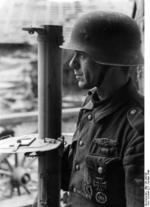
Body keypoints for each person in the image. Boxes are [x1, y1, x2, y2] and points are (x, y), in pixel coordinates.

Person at [60, 11, 144, 207]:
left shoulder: (138, 129)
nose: (72, 63)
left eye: (82, 56)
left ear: (110, 60)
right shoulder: (90, 105)